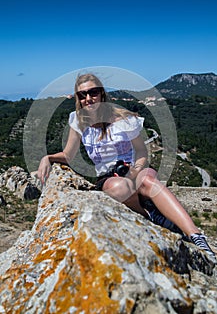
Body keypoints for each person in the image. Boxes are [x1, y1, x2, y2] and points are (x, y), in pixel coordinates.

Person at [37, 73, 216, 262]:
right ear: (78, 99)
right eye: (82, 95)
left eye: (93, 92)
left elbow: (142, 152)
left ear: (102, 94)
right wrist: (47, 158)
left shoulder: (123, 119)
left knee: (147, 181)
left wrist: (135, 170)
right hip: (108, 176)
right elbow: (69, 155)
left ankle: (197, 238)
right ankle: (150, 215)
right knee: (121, 188)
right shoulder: (77, 121)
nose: (88, 98)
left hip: (135, 167)